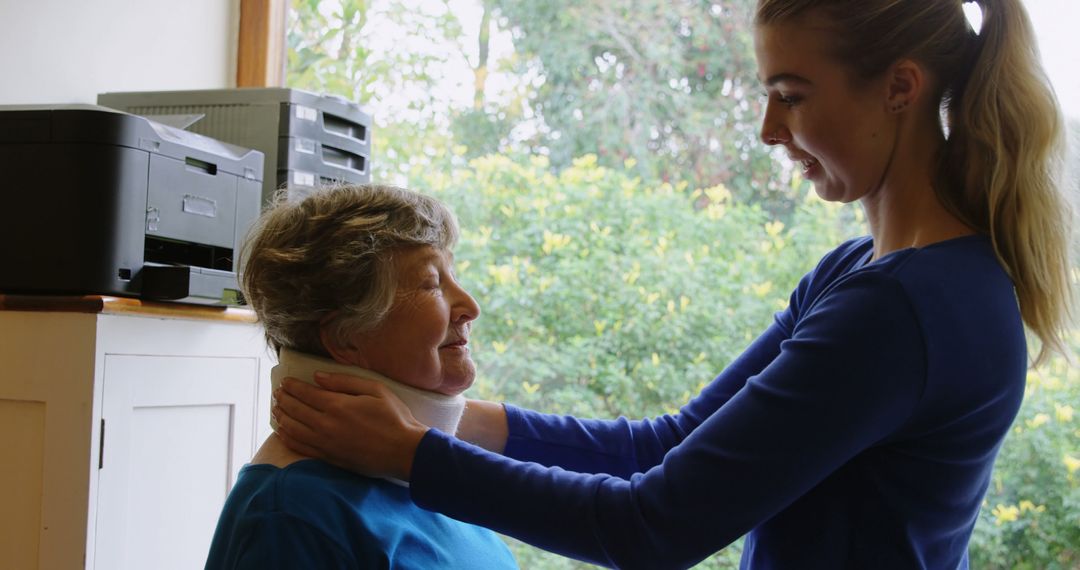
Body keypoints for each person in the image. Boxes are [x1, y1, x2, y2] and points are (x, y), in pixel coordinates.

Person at [270, 1, 1073, 568]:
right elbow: (666, 445)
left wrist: (413, 454)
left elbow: (652, 527)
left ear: (901, 87)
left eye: (791, 96)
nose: (767, 128)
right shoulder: (861, 273)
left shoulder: (904, 309)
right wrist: (442, 418)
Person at [204, 184, 518, 569]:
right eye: (432, 284)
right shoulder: (291, 515)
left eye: (453, 274)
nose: (471, 306)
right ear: (345, 337)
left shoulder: (427, 474)